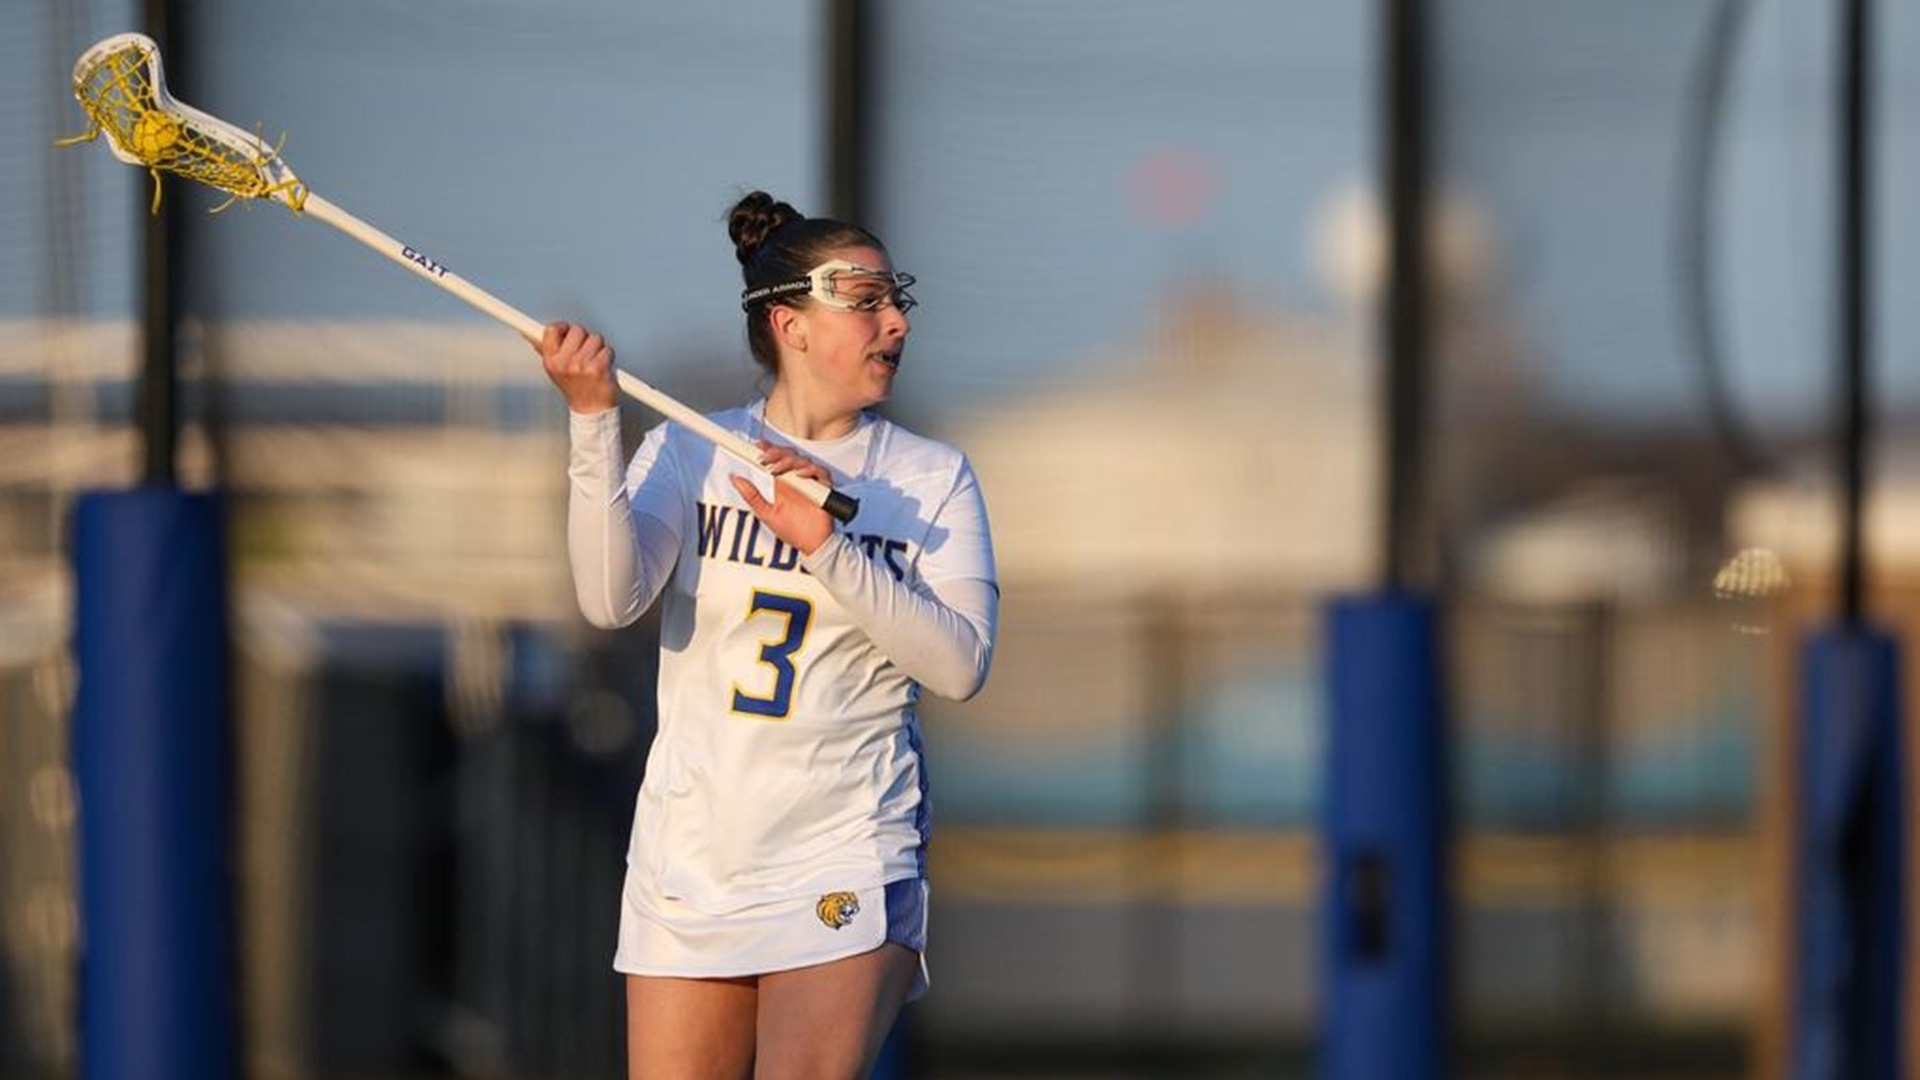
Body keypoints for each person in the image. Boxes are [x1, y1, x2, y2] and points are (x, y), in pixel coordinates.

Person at [538, 190, 998, 1079]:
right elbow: (609, 597)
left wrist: (826, 541)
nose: (896, 322)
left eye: (894, 301)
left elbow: (960, 664)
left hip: (847, 850)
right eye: (865, 303)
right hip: (691, 859)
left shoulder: (931, 478)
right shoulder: (692, 448)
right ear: (789, 323)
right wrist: (593, 420)